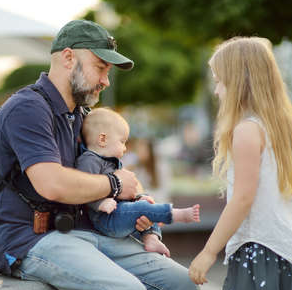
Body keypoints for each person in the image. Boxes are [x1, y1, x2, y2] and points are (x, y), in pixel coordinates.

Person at [0, 19, 199, 290]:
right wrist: (114, 185)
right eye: (100, 68)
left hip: (80, 231)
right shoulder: (27, 108)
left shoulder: (81, 117)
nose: (106, 81)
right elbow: (53, 184)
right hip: (25, 240)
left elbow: (116, 179)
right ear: (68, 58)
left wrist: (139, 211)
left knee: (183, 284)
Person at [188, 37, 292, 290]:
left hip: (261, 251)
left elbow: (242, 199)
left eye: (219, 82)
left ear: (238, 82)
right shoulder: (288, 128)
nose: (217, 91)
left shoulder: (248, 129)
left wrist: (208, 252)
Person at [77, 107, 200, 257]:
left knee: (145, 202)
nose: (125, 148)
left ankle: (151, 237)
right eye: (122, 142)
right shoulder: (89, 160)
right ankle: (175, 215)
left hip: (118, 213)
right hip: (105, 220)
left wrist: (137, 196)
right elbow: (83, 189)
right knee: (141, 208)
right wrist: (100, 203)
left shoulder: (111, 161)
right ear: (102, 139)